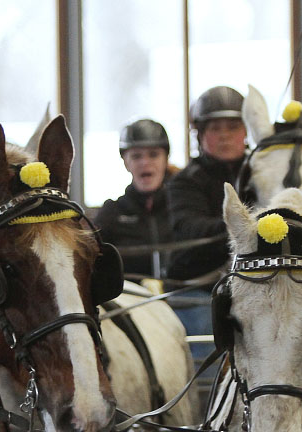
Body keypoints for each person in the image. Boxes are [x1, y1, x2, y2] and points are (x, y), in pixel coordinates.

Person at [165, 86, 248, 350]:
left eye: (232, 127)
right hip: (200, 288)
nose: (224, 136)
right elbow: (189, 227)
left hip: (255, 283)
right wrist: (245, 227)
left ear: (247, 131)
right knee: (208, 331)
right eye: (215, 128)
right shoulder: (185, 182)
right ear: (200, 134)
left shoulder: (261, 176)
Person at [94, 119, 176, 280]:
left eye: (154, 155)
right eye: (136, 156)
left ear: (165, 159)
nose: (145, 163)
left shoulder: (183, 207)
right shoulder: (111, 212)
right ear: (125, 162)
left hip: (182, 297)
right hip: (130, 300)